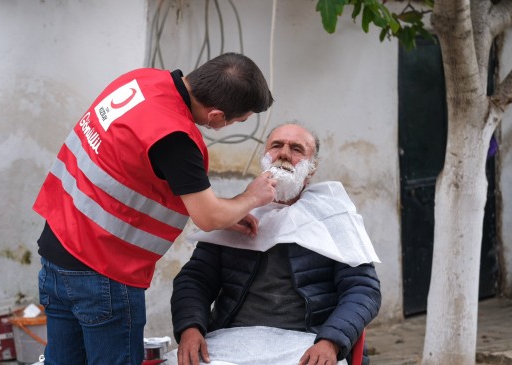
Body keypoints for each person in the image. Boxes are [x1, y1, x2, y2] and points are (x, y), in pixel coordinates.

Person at [32, 53, 276, 365]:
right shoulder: (176, 138)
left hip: (56, 252)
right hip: (102, 273)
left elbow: (132, 171)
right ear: (216, 115)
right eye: (237, 120)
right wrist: (251, 197)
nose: (231, 125)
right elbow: (208, 216)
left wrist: (227, 211)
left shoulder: (140, 81)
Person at [170, 123, 382, 365]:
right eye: (276, 145)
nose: (284, 153)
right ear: (264, 157)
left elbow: (363, 291)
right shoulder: (234, 212)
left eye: (296, 149)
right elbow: (195, 279)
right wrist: (190, 328)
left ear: (312, 169)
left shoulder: (334, 217)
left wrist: (331, 341)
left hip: (308, 342)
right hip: (232, 341)